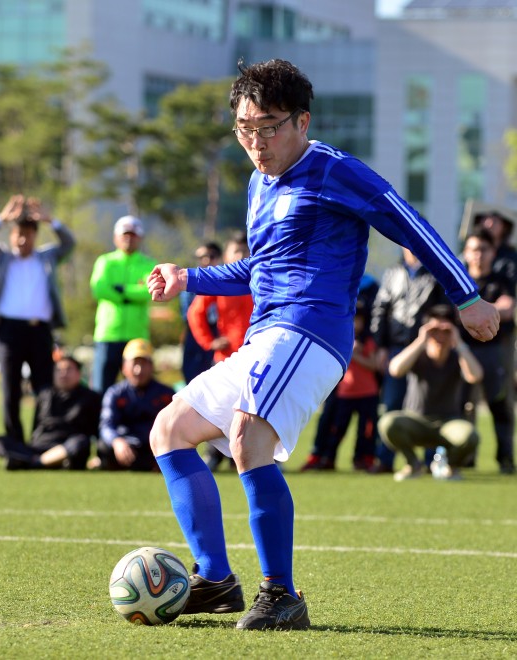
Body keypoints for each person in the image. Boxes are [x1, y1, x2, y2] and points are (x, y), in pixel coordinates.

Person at [146, 59, 499, 632]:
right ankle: (215, 580)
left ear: (302, 122)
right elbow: (261, 270)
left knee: (248, 438)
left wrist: (467, 296)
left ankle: (281, 594)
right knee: (169, 430)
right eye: (244, 129)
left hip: (311, 332)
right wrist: (188, 277)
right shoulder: (259, 186)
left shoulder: (335, 169)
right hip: (267, 336)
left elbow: (408, 222)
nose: (255, 143)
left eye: (268, 127)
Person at [0, 194, 76, 442]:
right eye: (18, 234)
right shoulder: (2, 258)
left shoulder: (46, 257)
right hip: (8, 331)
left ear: (35, 236)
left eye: (27, 235)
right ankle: (15, 443)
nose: (22, 240)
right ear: (11, 235)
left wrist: (50, 221)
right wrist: (1, 218)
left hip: (40, 331)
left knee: (44, 389)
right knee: (11, 389)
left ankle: (39, 440)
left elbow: (69, 243)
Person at [378, 305, 483, 481]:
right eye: (434, 330)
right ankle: (413, 464)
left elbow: (475, 376)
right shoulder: (418, 354)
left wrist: (458, 342)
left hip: (448, 423)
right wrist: (421, 340)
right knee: (387, 423)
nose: (440, 335)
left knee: (470, 436)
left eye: (446, 331)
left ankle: (450, 466)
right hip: (416, 420)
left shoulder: (458, 356)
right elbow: (395, 370)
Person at [369, 248, 449, 472]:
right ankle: (385, 460)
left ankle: (432, 461)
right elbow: (380, 309)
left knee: (428, 405)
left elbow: (443, 309)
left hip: (427, 348)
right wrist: (381, 345)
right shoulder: (393, 272)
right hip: (397, 347)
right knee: (392, 404)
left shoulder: (435, 272)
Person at [187, 231, 254, 471]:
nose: (242, 255)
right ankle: (213, 455)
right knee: (218, 408)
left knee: (256, 410)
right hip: (227, 358)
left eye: (245, 251)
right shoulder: (223, 280)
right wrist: (210, 341)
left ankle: (261, 456)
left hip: (257, 356)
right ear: (226, 255)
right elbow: (195, 313)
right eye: (236, 251)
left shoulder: (260, 278)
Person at [301, 300, 379, 471]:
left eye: (358, 320)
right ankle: (328, 458)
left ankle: (363, 459)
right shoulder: (339, 340)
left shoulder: (367, 341)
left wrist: (356, 354)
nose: (354, 324)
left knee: (366, 430)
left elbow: (374, 365)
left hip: (367, 393)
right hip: (345, 393)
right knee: (337, 429)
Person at [461, 228, 515, 474]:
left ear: (493, 253)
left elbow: (508, 308)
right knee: (464, 406)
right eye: (473, 249)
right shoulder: (459, 281)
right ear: (465, 253)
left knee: (500, 405)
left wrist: (475, 310)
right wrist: (490, 310)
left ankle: (505, 458)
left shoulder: (500, 280)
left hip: (494, 351)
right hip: (464, 351)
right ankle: (465, 458)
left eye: (483, 249)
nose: (478, 255)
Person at [0, 355, 102, 470]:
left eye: (68, 369)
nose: (63, 374)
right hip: (38, 446)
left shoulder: (91, 397)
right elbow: (36, 425)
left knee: (81, 443)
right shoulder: (45, 394)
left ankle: (30, 462)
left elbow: (95, 431)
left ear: (79, 373)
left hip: (66, 446)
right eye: (59, 370)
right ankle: (43, 462)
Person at [90, 215, 156, 394]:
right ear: (115, 237)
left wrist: (121, 290)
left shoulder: (149, 264)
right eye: (125, 235)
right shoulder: (105, 261)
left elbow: (149, 291)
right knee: (101, 390)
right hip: (108, 334)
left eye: (133, 235)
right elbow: (99, 289)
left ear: (140, 238)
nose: (129, 239)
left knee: (138, 390)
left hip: (137, 336)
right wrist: (133, 293)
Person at [90, 338, 174, 471]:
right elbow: (106, 425)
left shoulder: (166, 394)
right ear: (124, 367)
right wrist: (117, 441)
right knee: (104, 446)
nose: (138, 370)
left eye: (143, 364)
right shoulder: (115, 393)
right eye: (134, 364)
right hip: (125, 446)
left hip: (154, 447)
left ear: (151, 366)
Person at [180, 241, 222, 384]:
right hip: (194, 335)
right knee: (191, 373)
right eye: (201, 257)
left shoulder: (228, 284)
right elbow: (188, 314)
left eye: (210, 256)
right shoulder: (189, 283)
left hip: (219, 334)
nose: (205, 261)